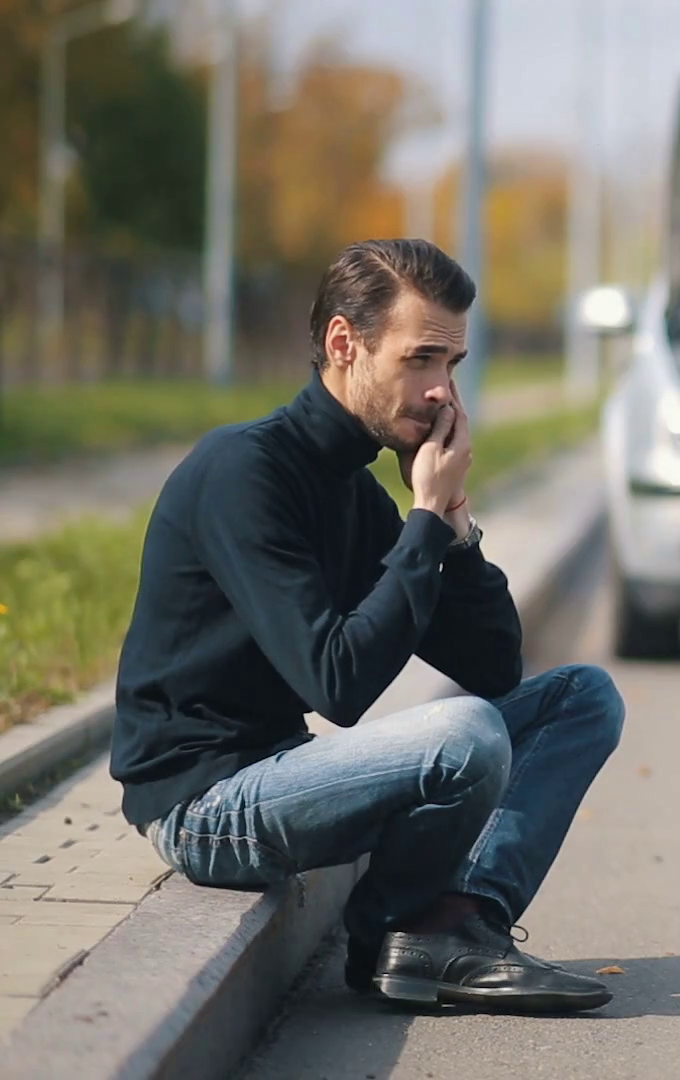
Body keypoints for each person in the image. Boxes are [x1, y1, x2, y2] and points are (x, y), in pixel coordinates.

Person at [109, 239, 625, 1014]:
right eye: (421, 360)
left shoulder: (355, 492)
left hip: (282, 775)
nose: (441, 393)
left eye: (452, 365)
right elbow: (338, 684)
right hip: (205, 810)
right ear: (345, 345)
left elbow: (493, 667)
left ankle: (455, 924)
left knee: (582, 697)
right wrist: (420, 523)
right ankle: (392, 929)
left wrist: (454, 528)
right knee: (466, 737)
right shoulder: (245, 473)